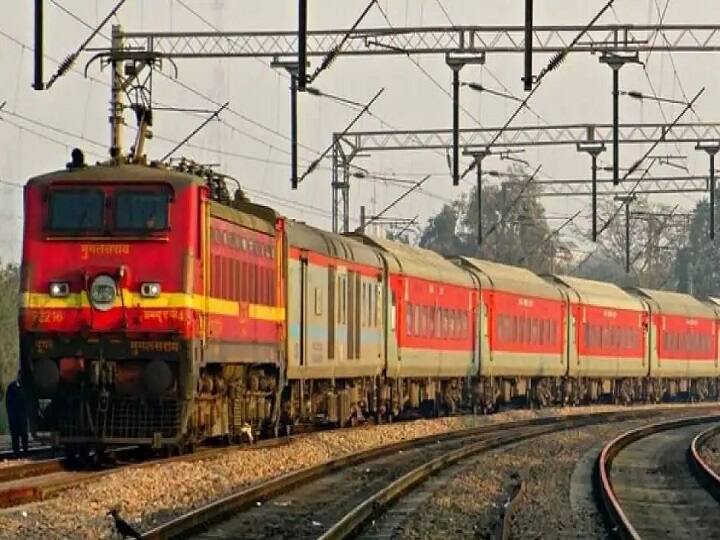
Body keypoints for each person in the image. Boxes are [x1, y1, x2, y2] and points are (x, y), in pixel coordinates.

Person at [5, 375, 28, 458]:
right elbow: (8, 402)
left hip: (22, 415)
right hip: (14, 416)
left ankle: (25, 452)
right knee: (15, 435)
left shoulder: (24, 388)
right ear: (18, 377)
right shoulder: (11, 387)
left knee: (24, 435)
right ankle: (16, 452)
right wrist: (10, 414)